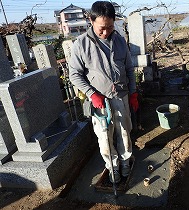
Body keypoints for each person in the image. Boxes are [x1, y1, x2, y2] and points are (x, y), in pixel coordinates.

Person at [69, 1, 138, 183]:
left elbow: (129, 69)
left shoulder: (120, 41)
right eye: (102, 28)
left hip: (121, 95)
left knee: (124, 132)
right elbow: (74, 75)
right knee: (105, 137)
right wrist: (92, 94)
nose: (106, 32)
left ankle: (125, 162)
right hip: (100, 101)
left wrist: (133, 93)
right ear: (91, 21)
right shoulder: (81, 44)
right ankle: (112, 166)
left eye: (110, 27)